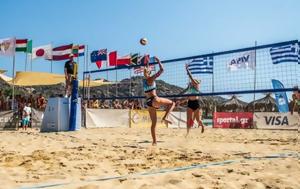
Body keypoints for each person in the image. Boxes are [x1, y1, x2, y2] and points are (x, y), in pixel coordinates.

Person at [143, 56, 175, 146]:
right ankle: (165, 117)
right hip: (155, 99)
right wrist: (158, 61)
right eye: (149, 70)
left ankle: (154, 142)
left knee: (153, 124)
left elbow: (147, 71)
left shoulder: (144, 80)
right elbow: (162, 70)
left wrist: (148, 63)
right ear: (149, 72)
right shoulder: (150, 79)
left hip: (149, 102)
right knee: (173, 103)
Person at [184, 63, 204, 137]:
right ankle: (187, 133)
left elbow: (191, 77)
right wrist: (180, 101)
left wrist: (187, 69)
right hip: (190, 103)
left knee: (198, 120)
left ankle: (202, 126)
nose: (192, 82)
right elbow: (187, 97)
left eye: (194, 81)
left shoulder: (196, 86)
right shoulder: (190, 87)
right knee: (188, 120)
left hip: (196, 103)